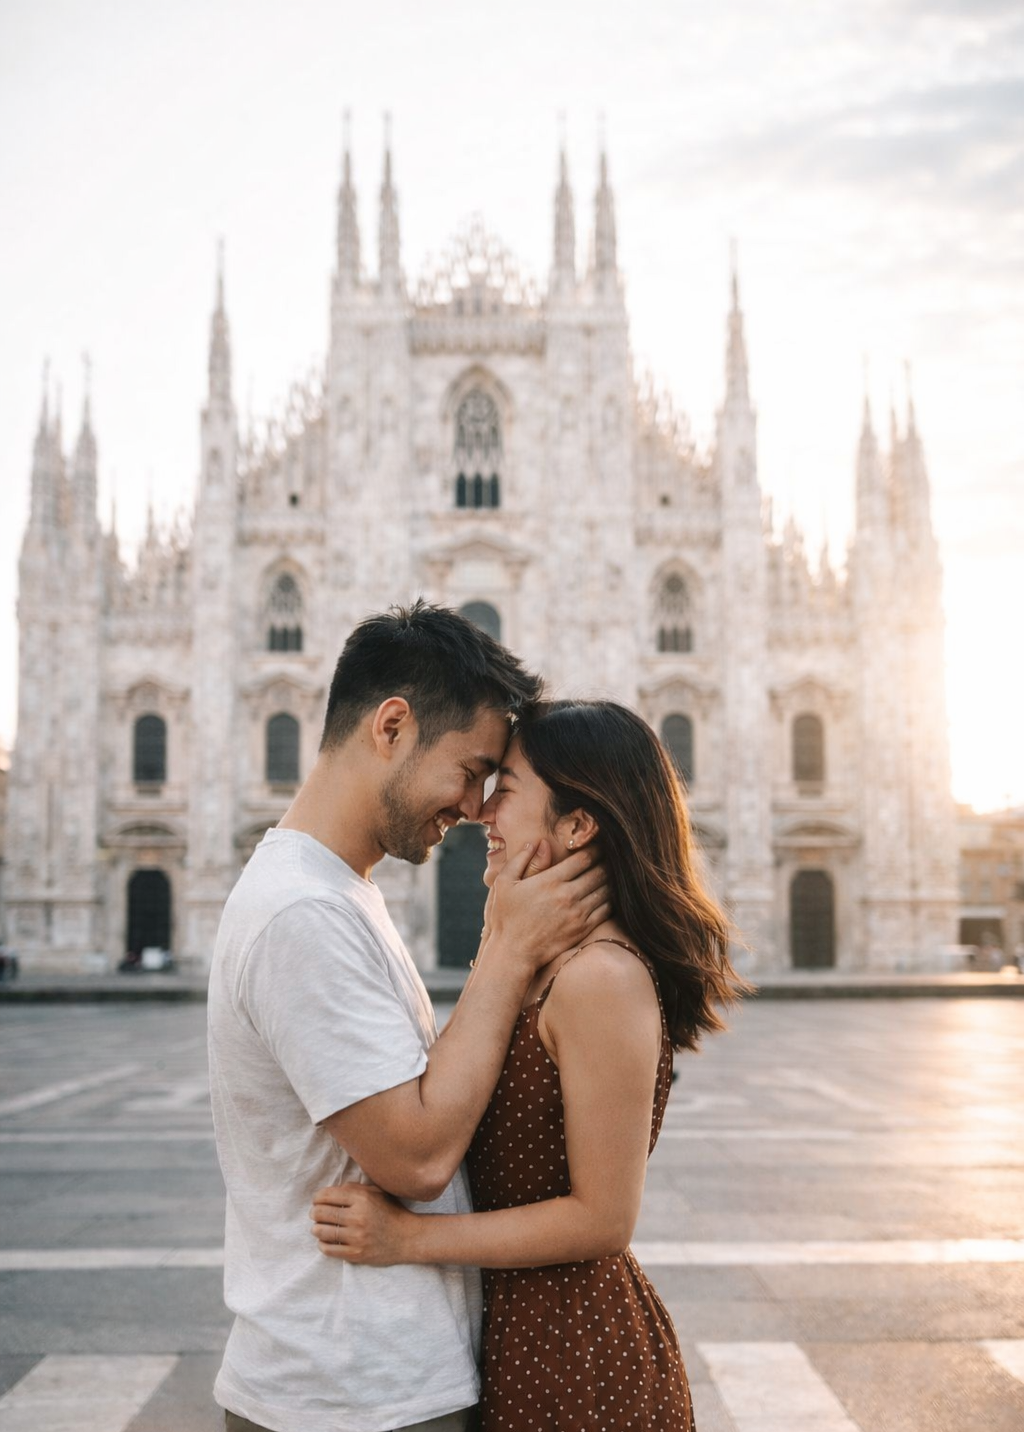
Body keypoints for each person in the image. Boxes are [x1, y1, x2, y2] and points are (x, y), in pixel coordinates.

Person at [208, 605, 610, 1432]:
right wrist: (508, 946)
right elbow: (417, 1156)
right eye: (469, 771)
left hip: (372, 1381)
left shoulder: (342, 894)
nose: (472, 808)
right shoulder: (301, 914)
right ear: (392, 726)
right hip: (345, 1393)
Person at [311, 698, 752, 1431]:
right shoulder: (541, 959)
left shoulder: (601, 977)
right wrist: (500, 939)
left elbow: (604, 1218)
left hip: (574, 1354)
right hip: (516, 1332)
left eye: (506, 790)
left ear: (578, 825)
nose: (482, 812)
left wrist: (408, 1240)